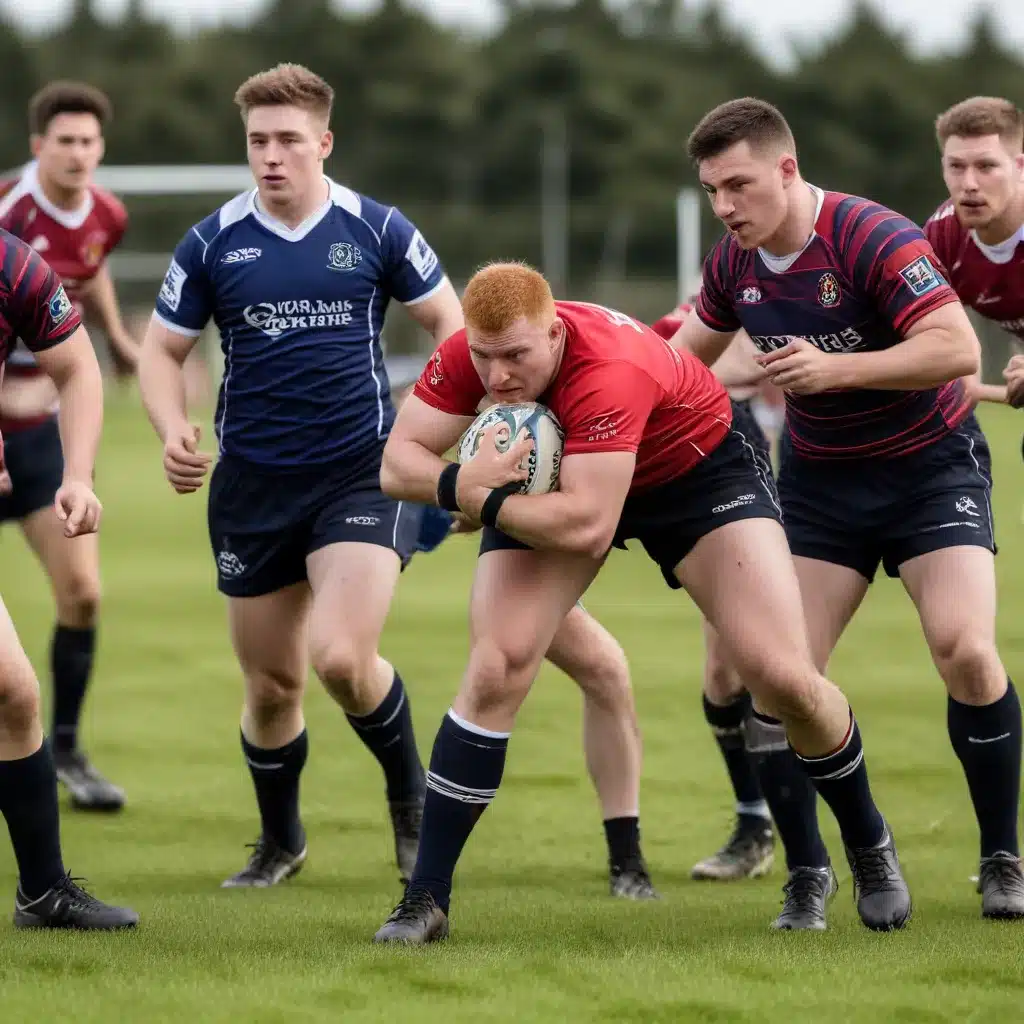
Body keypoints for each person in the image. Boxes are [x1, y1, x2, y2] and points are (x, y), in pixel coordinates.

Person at [371, 262, 911, 945]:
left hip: (696, 470)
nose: (499, 376)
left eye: (516, 356)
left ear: (556, 333)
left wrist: (483, 495)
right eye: (485, 357)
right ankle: (426, 900)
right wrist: (458, 480)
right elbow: (396, 463)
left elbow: (588, 524)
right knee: (496, 665)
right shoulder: (470, 352)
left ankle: (866, 841)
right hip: (570, 481)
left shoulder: (608, 366)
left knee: (780, 675)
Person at [676, 96, 1023, 923]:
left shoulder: (872, 234)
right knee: (778, 681)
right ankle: (811, 871)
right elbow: (678, 364)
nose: (726, 207)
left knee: (967, 651)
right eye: (713, 190)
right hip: (821, 487)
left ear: (787, 170)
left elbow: (956, 349)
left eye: (739, 186)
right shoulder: (735, 265)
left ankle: (1003, 858)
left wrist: (837, 371)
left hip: (930, 470)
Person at [138, 63, 464, 889]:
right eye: (257, 141)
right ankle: (281, 842)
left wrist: (438, 430)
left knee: (344, 661)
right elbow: (161, 351)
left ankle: (410, 803)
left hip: (361, 474)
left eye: (288, 140)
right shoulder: (213, 242)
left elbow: (451, 329)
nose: (271, 156)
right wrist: (173, 425)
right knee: (273, 686)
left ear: (324, 141)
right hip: (252, 485)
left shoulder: (378, 228)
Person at [392, 381, 658, 899]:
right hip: (515, 534)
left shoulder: (586, 378)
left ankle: (627, 859)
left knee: (604, 670)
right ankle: (428, 885)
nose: (502, 371)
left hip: (556, 522)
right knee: (500, 675)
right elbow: (418, 441)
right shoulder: (481, 374)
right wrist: (466, 494)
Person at [0, 81, 140, 812]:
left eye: (90, 142)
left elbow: (87, 271)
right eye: (66, 142)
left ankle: (65, 751)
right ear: (37, 148)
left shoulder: (107, 215)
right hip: (8, 412)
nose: (80, 153)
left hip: (37, 436)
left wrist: (114, 338)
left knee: (82, 592)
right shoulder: (7, 215)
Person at [0, 227, 137, 929]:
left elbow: (77, 367)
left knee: (13, 693)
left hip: (28, 462)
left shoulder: (11, 263)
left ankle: (43, 891)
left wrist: (77, 475)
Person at [650, 307, 776, 882]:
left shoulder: (806, 303)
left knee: (787, 671)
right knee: (724, 678)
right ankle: (756, 827)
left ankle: (838, 843)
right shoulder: (678, 324)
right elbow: (653, 377)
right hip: (720, 476)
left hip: (802, 479)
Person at [924, 97, 1024, 410]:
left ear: (1019, 167)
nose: (968, 184)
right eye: (956, 167)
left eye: (986, 167)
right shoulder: (941, 238)